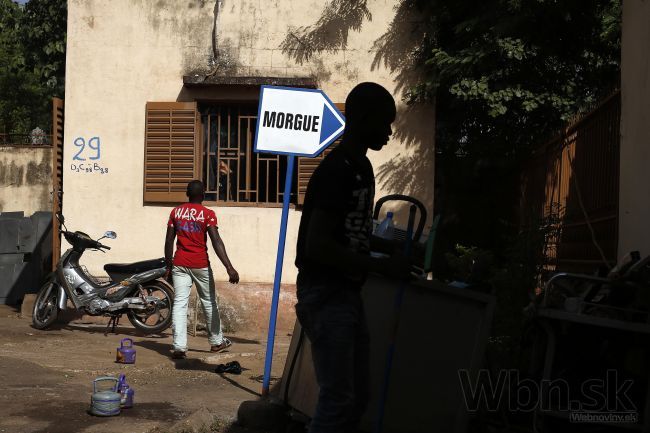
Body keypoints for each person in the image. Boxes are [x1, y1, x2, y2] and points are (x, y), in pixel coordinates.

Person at [295, 82, 413, 433]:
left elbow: (350, 231)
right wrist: (381, 265)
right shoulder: (338, 170)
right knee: (338, 400)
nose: (389, 132)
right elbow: (318, 245)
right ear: (363, 117)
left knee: (357, 397)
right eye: (384, 122)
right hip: (326, 293)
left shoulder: (361, 166)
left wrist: (389, 247)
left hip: (345, 294)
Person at [165, 180, 240, 359]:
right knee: (208, 302)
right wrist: (229, 267)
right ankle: (216, 342)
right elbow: (216, 241)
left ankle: (179, 347)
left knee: (180, 304)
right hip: (200, 265)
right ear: (203, 194)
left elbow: (169, 241)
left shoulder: (176, 212)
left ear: (187, 193)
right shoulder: (208, 214)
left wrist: (169, 266)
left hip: (180, 264)